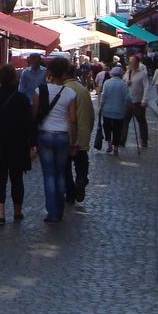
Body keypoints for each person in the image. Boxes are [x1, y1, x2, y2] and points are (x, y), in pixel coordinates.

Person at [0, 64, 35, 225]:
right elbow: (28, 124)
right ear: (14, 79)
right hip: (17, 145)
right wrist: (32, 143)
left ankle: (0, 215)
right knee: (17, 179)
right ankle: (18, 212)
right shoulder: (22, 99)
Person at [31, 57, 77, 222]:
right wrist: (75, 141)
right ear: (64, 73)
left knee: (49, 175)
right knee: (61, 174)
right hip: (63, 135)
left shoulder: (39, 90)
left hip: (44, 135)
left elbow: (34, 114)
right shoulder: (70, 93)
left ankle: (52, 212)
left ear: (49, 72)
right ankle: (60, 209)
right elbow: (72, 119)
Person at [61, 63, 95, 212]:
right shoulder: (83, 90)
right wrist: (88, 130)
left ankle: (70, 192)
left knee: (65, 166)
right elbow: (91, 114)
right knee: (81, 161)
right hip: (82, 133)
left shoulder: (63, 90)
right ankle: (81, 179)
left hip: (66, 133)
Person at [99, 66, 130, 155]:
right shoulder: (123, 84)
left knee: (107, 128)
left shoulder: (107, 83)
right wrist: (129, 105)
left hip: (107, 111)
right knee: (118, 130)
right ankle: (116, 147)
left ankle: (109, 145)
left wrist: (101, 107)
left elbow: (103, 96)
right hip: (119, 111)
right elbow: (127, 98)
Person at [123, 54, 151, 149]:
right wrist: (126, 83)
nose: (131, 64)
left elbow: (147, 87)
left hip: (138, 102)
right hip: (128, 102)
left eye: (133, 62)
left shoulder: (143, 74)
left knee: (141, 121)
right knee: (124, 121)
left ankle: (144, 141)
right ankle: (122, 141)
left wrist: (144, 99)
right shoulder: (127, 73)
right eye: (130, 62)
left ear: (138, 63)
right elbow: (123, 83)